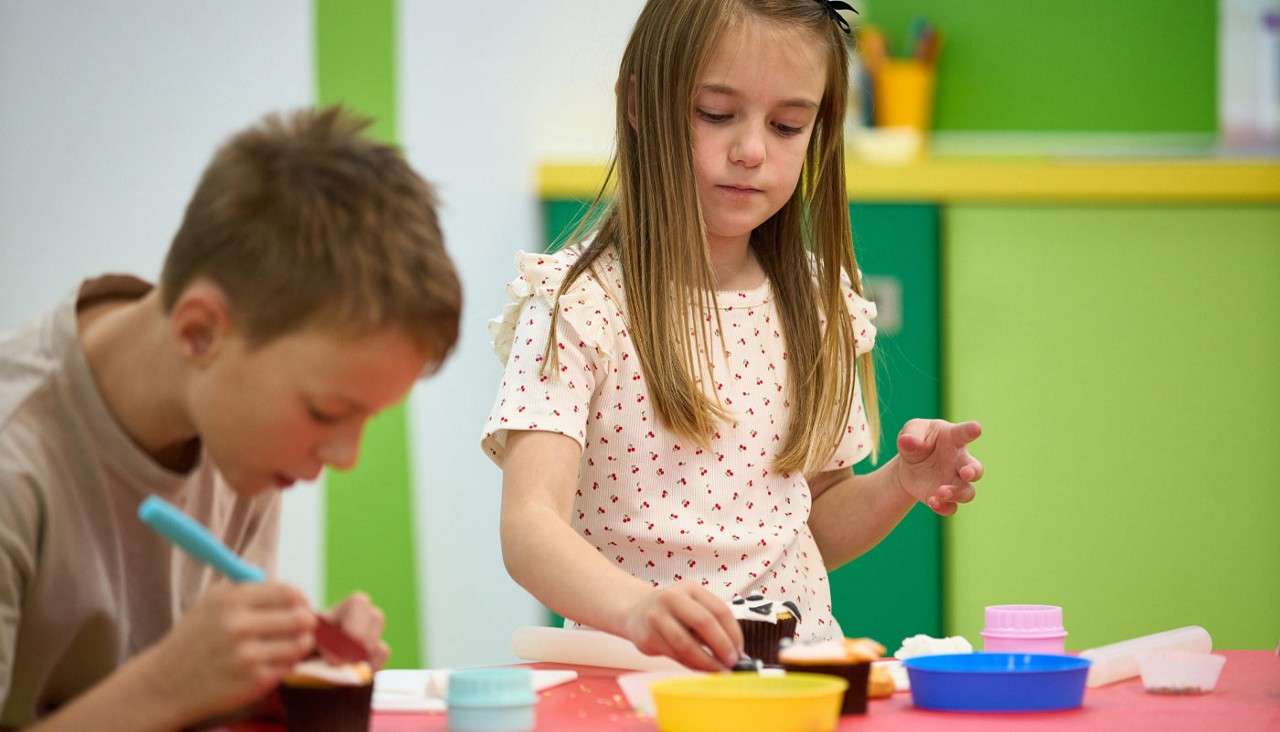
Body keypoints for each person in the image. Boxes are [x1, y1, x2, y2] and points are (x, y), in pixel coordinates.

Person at [484, 0, 982, 672]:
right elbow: (529, 526)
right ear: (638, 104)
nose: (751, 150)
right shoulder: (576, 305)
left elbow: (815, 522)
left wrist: (901, 482)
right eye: (715, 113)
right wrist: (639, 609)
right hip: (635, 683)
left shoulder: (819, 303)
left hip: (797, 680)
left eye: (787, 125)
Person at [0, 106, 463, 731]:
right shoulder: (16, 457)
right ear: (199, 333)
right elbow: (164, 693)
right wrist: (168, 684)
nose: (345, 457)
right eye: (327, 411)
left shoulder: (236, 429)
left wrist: (280, 670)